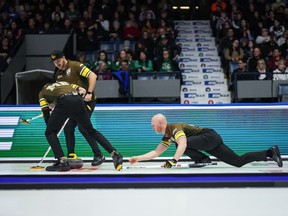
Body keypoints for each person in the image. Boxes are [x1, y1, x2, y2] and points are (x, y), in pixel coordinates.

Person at [129, 114, 283, 168]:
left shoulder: (174, 128)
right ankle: (270, 152)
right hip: (210, 141)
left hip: (209, 137)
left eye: (153, 125)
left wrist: (173, 161)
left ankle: (203, 159)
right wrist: (138, 158)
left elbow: (183, 143)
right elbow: (156, 152)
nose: (152, 127)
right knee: (237, 161)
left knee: (180, 143)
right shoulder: (168, 135)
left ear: (160, 123)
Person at [51, 50, 120, 166]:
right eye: (54, 62)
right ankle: (71, 156)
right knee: (68, 128)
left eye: (58, 61)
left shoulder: (75, 65)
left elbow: (93, 75)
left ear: (64, 57)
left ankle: (99, 155)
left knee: (83, 127)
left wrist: (89, 92)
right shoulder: (57, 74)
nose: (57, 64)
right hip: (72, 104)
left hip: (86, 101)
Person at [39, 81, 123, 171]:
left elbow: (46, 113)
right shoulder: (64, 83)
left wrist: (51, 123)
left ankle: (62, 161)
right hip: (78, 100)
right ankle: (115, 154)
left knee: (49, 132)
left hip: (64, 102)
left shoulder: (42, 93)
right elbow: (81, 89)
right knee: (90, 130)